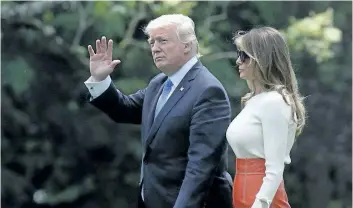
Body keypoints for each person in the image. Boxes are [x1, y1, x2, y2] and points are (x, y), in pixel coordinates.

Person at [84, 14, 233, 208]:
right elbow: (125, 109)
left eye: (162, 40)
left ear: (187, 45)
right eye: (152, 42)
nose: (155, 48)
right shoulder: (160, 83)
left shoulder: (208, 91)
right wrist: (100, 79)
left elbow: (201, 167)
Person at [226, 27, 306, 208]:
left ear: (261, 59)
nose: (238, 61)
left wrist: (260, 203)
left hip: (263, 195)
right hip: (243, 189)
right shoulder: (253, 100)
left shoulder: (275, 102)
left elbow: (274, 168)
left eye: (244, 55)